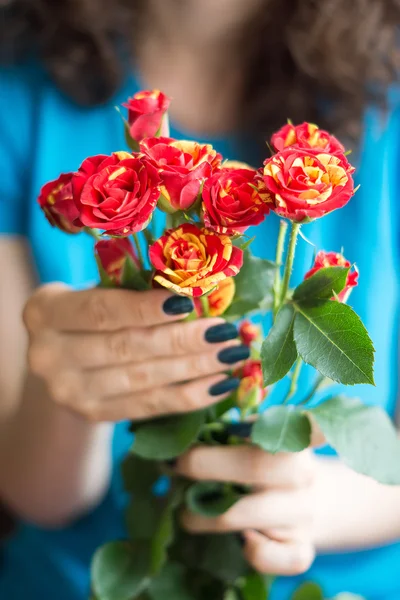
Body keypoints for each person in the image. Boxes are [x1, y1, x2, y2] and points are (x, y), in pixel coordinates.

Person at [1, 1, 400, 598]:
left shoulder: (387, 92)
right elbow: (36, 493)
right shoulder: (15, 89)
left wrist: (322, 504)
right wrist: (74, 389)